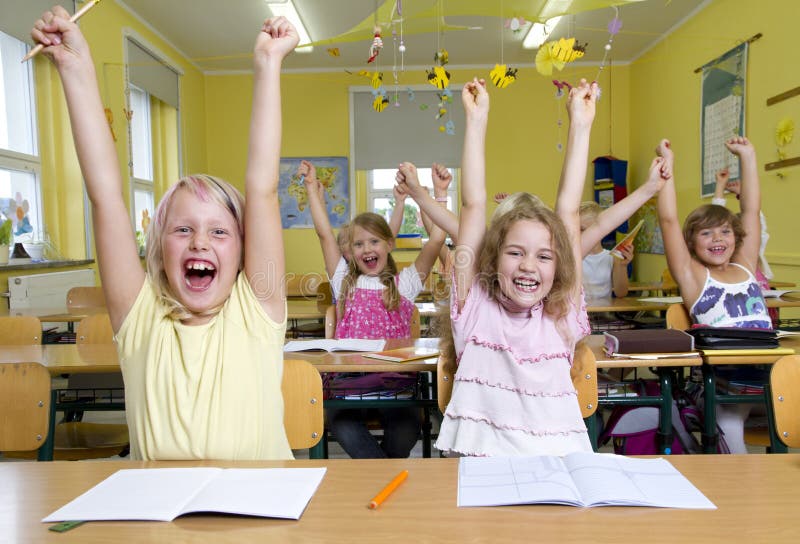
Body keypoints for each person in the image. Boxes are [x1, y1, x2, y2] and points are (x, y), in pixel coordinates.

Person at [32, 8, 298, 460]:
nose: (200, 242)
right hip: (158, 524)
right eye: (182, 229)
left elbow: (262, 188)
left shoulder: (259, 307)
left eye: (219, 231)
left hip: (260, 517)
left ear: (244, 251)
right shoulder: (140, 320)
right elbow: (107, 198)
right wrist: (75, 68)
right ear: (158, 247)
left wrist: (268, 66)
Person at [433, 78, 598, 457]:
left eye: (544, 256)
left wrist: (581, 124)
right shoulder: (474, 306)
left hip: (557, 465)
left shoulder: (561, 315)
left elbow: (569, 209)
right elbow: (473, 205)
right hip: (478, 465)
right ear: (490, 259)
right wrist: (476, 121)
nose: (528, 265)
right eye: (515, 253)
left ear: (559, 267)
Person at [301, 161, 447, 458]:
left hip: (396, 386)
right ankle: (385, 477)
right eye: (358, 244)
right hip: (348, 385)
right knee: (342, 425)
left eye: (374, 241)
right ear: (350, 252)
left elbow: (437, 240)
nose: (367, 249)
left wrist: (437, 194)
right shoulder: (343, 281)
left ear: (390, 243)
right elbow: (325, 235)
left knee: (406, 431)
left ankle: (379, 478)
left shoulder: (405, 284)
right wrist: (311, 190)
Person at [657, 136, 769, 453]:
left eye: (724, 231)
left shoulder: (747, 265)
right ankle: (742, 496)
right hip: (722, 387)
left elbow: (751, 208)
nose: (717, 238)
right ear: (691, 243)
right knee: (732, 433)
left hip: (768, 381)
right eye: (706, 233)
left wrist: (748, 155)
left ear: (737, 237)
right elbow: (667, 220)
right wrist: (668, 165)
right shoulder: (693, 276)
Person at [579, 156, 668, 302]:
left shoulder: (610, 257)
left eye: (584, 229)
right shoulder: (574, 257)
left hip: (605, 319)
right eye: (577, 230)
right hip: (579, 318)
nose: (580, 234)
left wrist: (621, 264)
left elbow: (621, 292)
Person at [712, 167, 777, 326]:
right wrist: (720, 186)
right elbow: (715, 219)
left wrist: (742, 194)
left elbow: (756, 217)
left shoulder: (756, 252)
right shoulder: (726, 257)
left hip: (765, 317)